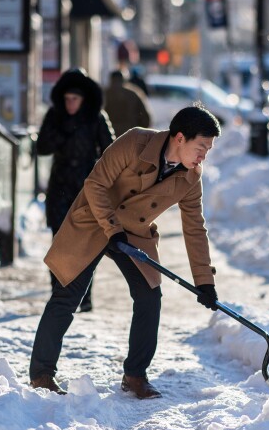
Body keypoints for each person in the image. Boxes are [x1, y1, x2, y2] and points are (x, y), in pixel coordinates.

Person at [29, 105, 222, 399]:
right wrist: (111, 229)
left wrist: (204, 280)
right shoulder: (135, 142)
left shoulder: (191, 177)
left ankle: (135, 375)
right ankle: (41, 374)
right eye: (201, 147)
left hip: (134, 232)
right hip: (95, 220)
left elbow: (195, 228)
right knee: (67, 294)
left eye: (208, 150)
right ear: (180, 138)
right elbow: (95, 185)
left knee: (149, 297)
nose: (203, 156)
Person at [36, 68, 115, 312]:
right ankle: (58, 293)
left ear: (84, 99)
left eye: (75, 99)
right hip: (60, 183)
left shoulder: (96, 117)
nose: (70, 103)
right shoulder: (55, 115)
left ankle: (85, 295)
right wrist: (63, 130)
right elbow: (42, 147)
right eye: (67, 99)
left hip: (86, 186)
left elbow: (111, 152)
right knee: (59, 240)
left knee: (86, 242)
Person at [103, 69, 152, 136]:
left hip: (109, 134)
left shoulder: (104, 94)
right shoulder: (133, 94)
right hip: (130, 135)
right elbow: (145, 118)